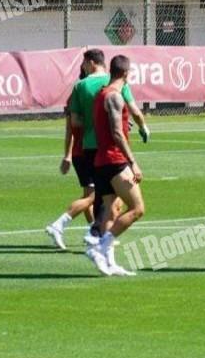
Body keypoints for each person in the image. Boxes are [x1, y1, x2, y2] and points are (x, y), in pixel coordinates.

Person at [46, 48, 148, 250]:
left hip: (86, 148)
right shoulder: (113, 87)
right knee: (103, 199)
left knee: (102, 199)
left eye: (83, 63)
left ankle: (98, 236)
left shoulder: (80, 86)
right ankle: (76, 229)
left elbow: (73, 122)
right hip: (108, 150)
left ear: (91, 62)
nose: (82, 67)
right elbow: (134, 111)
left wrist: (68, 153)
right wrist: (141, 126)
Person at [86, 56, 145, 276]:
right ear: (126, 74)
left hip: (101, 160)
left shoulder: (102, 93)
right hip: (114, 160)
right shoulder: (114, 96)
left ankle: (109, 263)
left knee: (111, 212)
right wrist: (133, 163)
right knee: (138, 208)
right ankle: (99, 248)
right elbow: (117, 133)